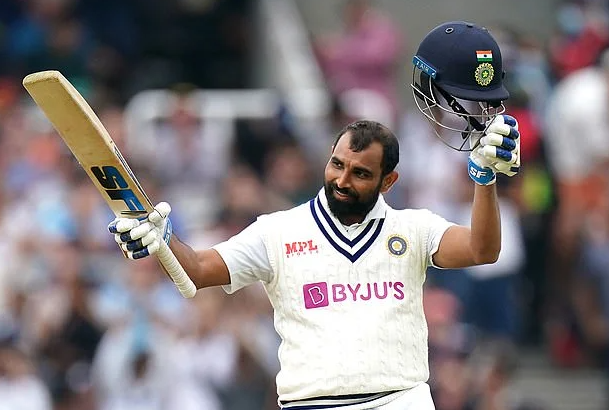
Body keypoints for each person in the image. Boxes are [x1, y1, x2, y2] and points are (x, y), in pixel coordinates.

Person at [107, 21, 521, 410]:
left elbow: (482, 249)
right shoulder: (278, 232)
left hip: (400, 400)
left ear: (388, 182)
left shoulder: (413, 228)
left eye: (360, 174)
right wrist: (161, 237)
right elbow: (197, 270)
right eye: (337, 164)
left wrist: (484, 179)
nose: (342, 180)